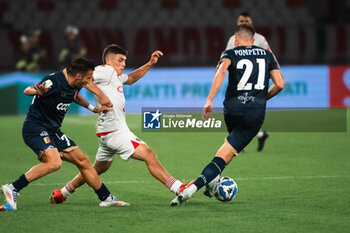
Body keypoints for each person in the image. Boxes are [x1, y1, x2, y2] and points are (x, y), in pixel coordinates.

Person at [50, 44, 185, 204]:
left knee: (95, 169)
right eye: (120, 60)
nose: (124, 64)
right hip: (115, 131)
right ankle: (178, 188)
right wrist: (101, 95)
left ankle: (63, 193)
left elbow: (132, 78)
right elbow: (85, 80)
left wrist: (149, 64)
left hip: (107, 131)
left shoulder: (114, 76)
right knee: (148, 154)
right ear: (108, 60)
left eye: (125, 61)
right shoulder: (104, 70)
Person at [170, 25, 285, 206]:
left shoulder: (230, 53)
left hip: (232, 110)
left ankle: (206, 184)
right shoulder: (268, 55)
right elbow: (280, 84)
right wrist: (263, 98)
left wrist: (209, 100)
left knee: (224, 151)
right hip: (254, 115)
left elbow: (221, 71)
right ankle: (196, 187)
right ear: (254, 41)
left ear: (236, 40)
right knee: (224, 157)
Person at [1, 57, 129, 212]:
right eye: (88, 78)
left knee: (83, 161)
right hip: (35, 128)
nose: (90, 82)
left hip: (54, 131)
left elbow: (74, 96)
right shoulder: (53, 81)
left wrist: (93, 109)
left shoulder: (76, 83)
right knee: (54, 163)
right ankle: (13, 187)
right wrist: (37, 91)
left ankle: (105, 198)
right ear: (78, 76)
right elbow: (27, 90)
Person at [225, 12, 279, 152]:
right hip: (239, 82)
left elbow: (271, 57)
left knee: (242, 111)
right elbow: (225, 60)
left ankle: (236, 141)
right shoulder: (233, 39)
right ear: (237, 23)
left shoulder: (260, 39)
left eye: (246, 21)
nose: (244, 23)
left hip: (254, 82)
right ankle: (258, 135)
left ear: (251, 23)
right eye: (241, 20)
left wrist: (275, 73)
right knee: (246, 113)